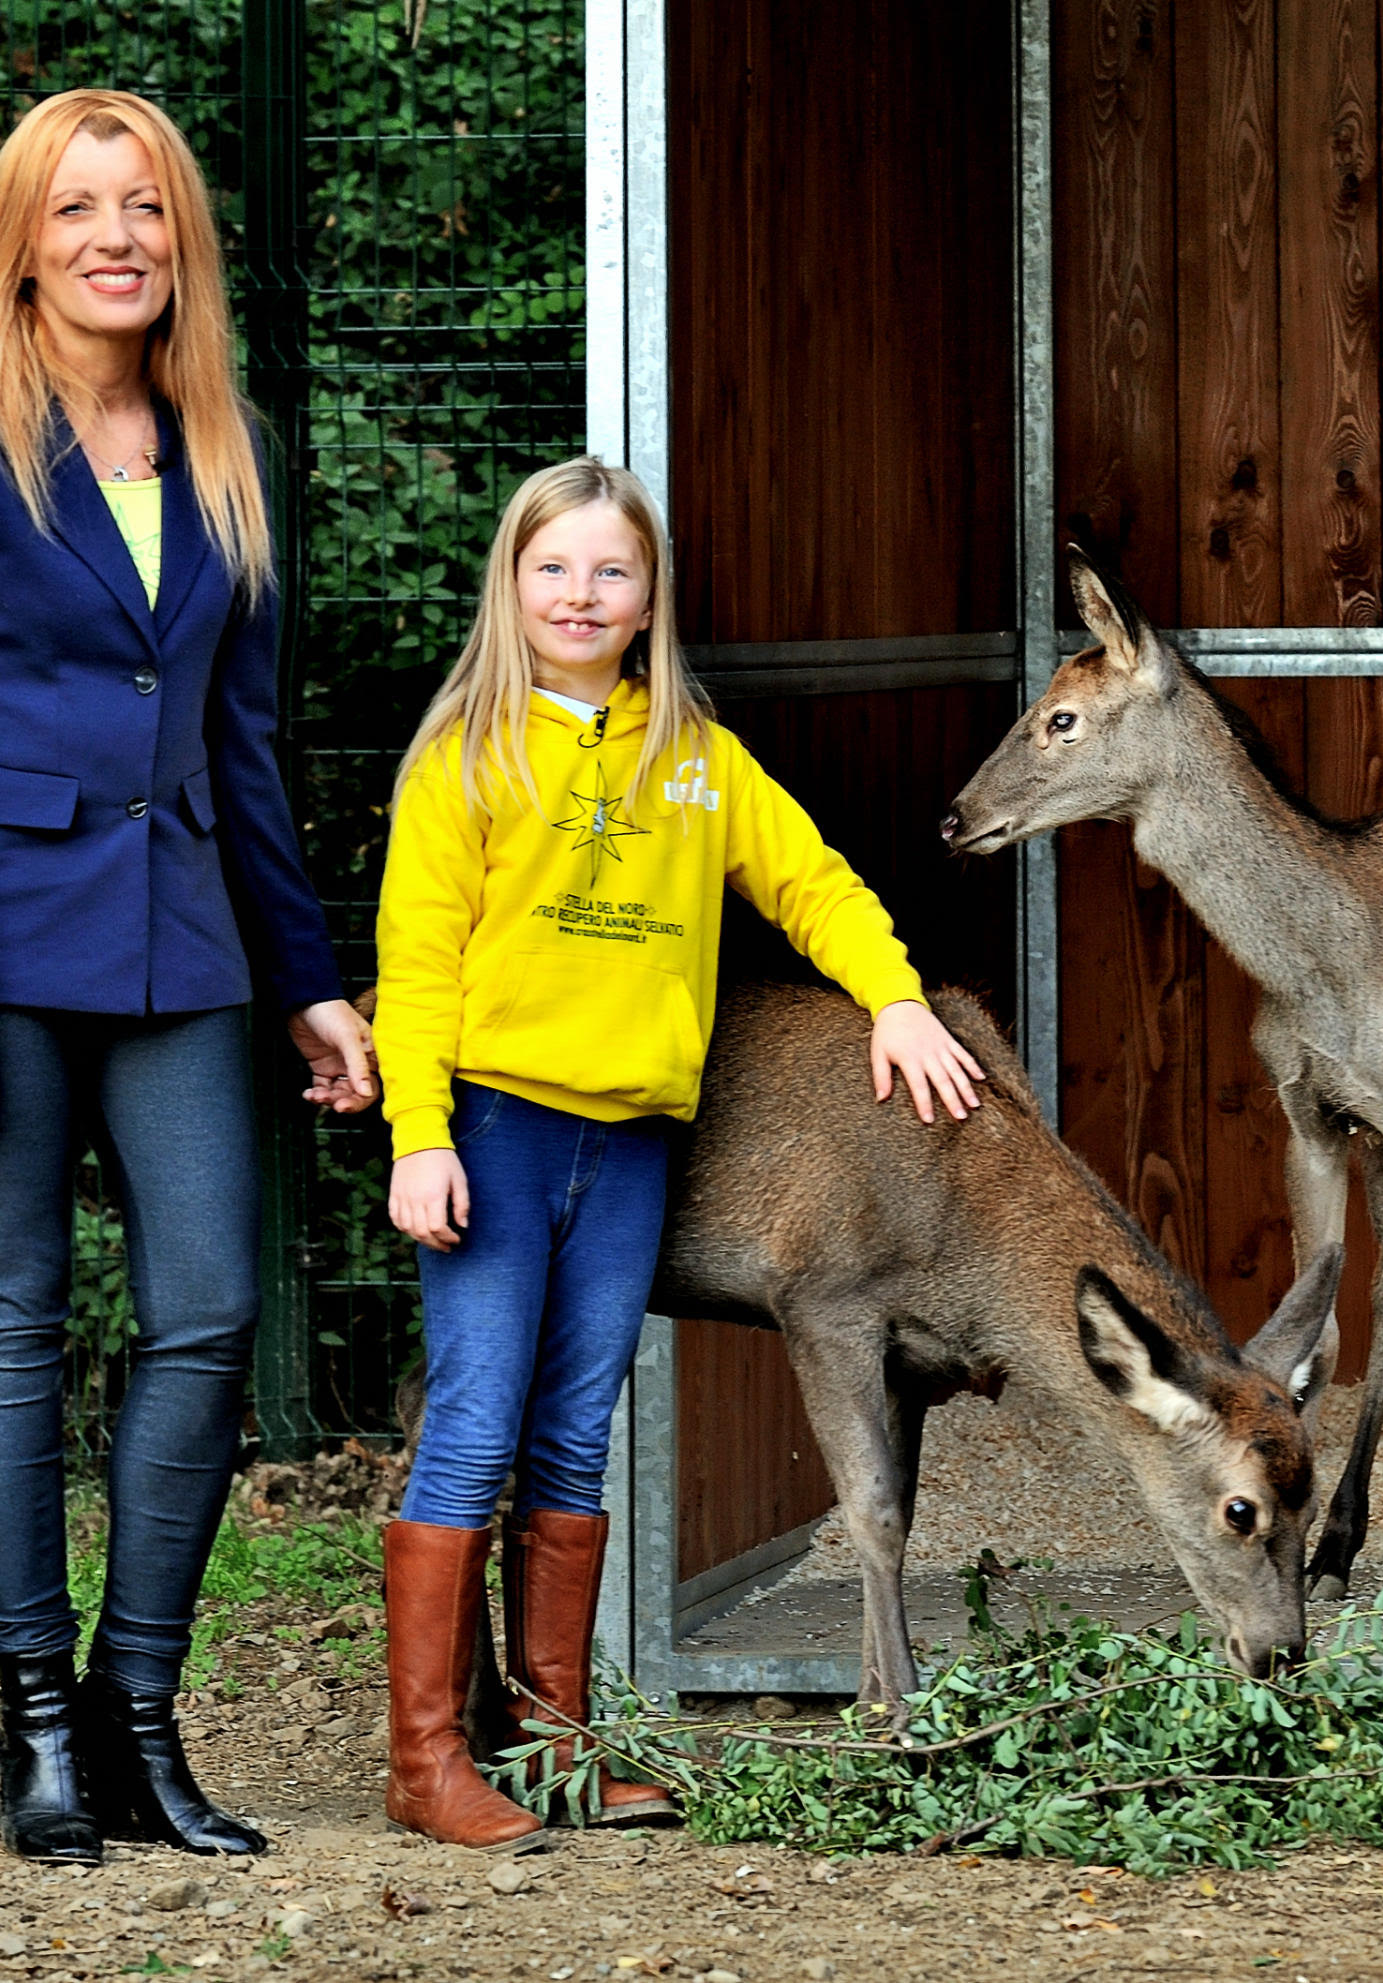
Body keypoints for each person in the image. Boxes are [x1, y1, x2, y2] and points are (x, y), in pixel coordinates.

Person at [0, 88, 376, 1864]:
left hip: (187, 950)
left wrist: (306, 980)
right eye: (78, 208)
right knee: (10, 1318)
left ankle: (136, 1720)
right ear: (23, 240)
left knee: (209, 1312)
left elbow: (244, 744)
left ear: (180, 238)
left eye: (143, 206)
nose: (115, 239)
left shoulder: (226, 444)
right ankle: (35, 1729)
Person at [370, 457, 988, 1851]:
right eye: (552, 568)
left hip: (635, 1142)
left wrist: (895, 1000)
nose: (580, 595)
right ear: (511, 587)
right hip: (495, 1128)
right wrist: (419, 1136)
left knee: (574, 1431)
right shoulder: (467, 756)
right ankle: (427, 1760)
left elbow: (811, 882)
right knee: (475, 1425)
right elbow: (415, 967)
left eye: (612, 571)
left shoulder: (696, 759)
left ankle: (552, 1746)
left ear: (649, 598)